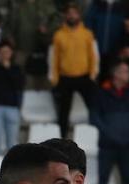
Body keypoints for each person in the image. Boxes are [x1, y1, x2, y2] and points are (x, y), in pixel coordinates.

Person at [50, 3, 99, 139]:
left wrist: (93, 74)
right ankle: (62, 139)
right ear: (66, 16)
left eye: (74, 13)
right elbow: (54, 58)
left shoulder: (87, 34)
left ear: (79, 15)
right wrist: (55, 78)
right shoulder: (59, 35)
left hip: (84, 77)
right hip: (65, 77)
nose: (72, 16)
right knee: (63, 112)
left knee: (94, 106)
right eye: (69, 13)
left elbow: (93, 55)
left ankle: (98, 133)